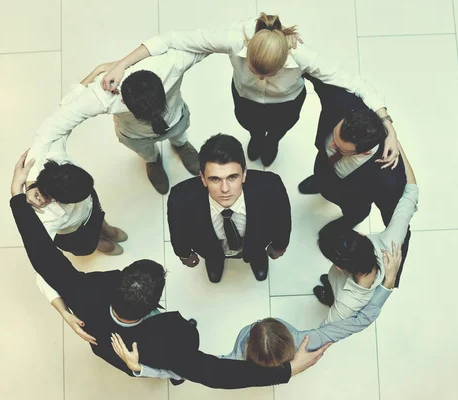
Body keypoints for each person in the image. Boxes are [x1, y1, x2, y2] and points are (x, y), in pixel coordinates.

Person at [9, 150, 326, 389]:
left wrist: (18, 198)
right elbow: (217, 374)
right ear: (155, 304)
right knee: (176, 370)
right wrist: (288, 370)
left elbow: (43, 256)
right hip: (156, 358)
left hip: (106, 347)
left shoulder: (83, 291)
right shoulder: (169, 342)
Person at [101, 13, 400, 167]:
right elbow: (172, 39)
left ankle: (272, 144)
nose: (258, 76)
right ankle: (258, 140)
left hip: (287, 105)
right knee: (251, 129)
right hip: (245, 101)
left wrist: (389, 127)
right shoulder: (234, 38)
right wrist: (121, 63)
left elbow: (355, 82)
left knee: (279, 132)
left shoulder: (304, 57)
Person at [111, 242, 402, 378]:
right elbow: (360, 321)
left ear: (250, 334)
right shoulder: (307, 340)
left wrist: (141, 369)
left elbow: (183, 369)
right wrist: (386, 284)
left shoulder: (232, 362)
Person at [25, 48, 208, 196]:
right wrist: (32, 179)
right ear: (122, 100)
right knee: (144, 151)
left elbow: (210, 40)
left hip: (177, 119)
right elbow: (56, 122)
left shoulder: (172, 64)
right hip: (135, 136)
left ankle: (181, 145)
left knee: (180, 134)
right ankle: (152, 160)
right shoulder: (104, 95)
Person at [299, 74, 413, 287]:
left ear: (366, 150)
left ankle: (349, 219)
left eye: (340, 149)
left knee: (355, 212)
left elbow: (400, 226)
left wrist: (392, 277)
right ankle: (320, 182)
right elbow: (319, 70)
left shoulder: (388, 177)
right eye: (334, 136)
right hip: (325, 170)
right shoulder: (342, 102)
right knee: (322, 177)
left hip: (352, 198)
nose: (331, 145)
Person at [313, 143, 418, 323]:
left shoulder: (347, 304)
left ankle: (330, 297)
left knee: (333, 292)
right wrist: (396, 143)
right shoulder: (391, 243)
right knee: (332, 283)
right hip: (347, 278)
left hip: (342, 293)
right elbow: (411, 191)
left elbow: (325, 333)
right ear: (360, 237)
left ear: (338, 267)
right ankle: (330, 288)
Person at [167, 134, 291, 283]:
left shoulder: (271, 187)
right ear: (202, 178)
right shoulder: (180, 199)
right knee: (212, 253)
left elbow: (283, 220)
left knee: (256, 250)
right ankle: (215, 261)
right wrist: (184, 254)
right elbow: (177, 231)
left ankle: (257, 258)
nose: (225, 189)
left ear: (244, 174)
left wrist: (279, 246)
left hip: (256, 243)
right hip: (210, 247)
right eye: (215, 179)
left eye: (232, 177)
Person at [24, 131, 127, 256]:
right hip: (72, 234)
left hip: (90, 210)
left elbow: (49, 131)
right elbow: (39, 249)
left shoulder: (56, 156)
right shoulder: (45, 214)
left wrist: (30, 179)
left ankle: (107, 230)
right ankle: (98, 243)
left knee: (97, 215)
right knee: (86, 245)